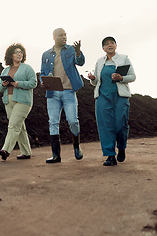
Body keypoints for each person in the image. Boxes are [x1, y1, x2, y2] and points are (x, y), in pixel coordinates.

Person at [87, 36, 136, 166]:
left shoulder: (123, 58)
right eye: (106, 44)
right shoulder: (99, 62)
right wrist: (92, 78)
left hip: (120, 96)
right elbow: (96, 82)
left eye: (112, 43)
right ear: (103, 48)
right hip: (103, 97)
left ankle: (121, 147)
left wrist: (121, 78)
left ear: (115, 45)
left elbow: (132, 76)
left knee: (120, 124)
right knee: (105, 126)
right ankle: (110, 155)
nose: (110, 45)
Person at [40, 28, 85, 163]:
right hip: (52, 93)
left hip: (69, 91)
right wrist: (43, 82)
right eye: (61, 35)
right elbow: (42, 72)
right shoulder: (46, 54)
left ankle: (76, 146)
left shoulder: (71, 50)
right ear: (54, 37)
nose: (64, 37)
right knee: (53, 122)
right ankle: (56, 155)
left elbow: (80, 62)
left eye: (65, 35)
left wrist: (78, 52)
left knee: (73, 120)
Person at [0, 43, 37, 161]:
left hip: (23, 101)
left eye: (21, 52)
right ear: (11, 55)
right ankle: (26, 152)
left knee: (13, 125)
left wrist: (18, 84)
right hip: (8, 101)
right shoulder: (6, 70)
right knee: (19, 127)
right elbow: (0, 88)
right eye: (17, 52)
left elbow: (33, 83)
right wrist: (3, 84)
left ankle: (6, 150)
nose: (19, 54)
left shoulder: (27, 68)